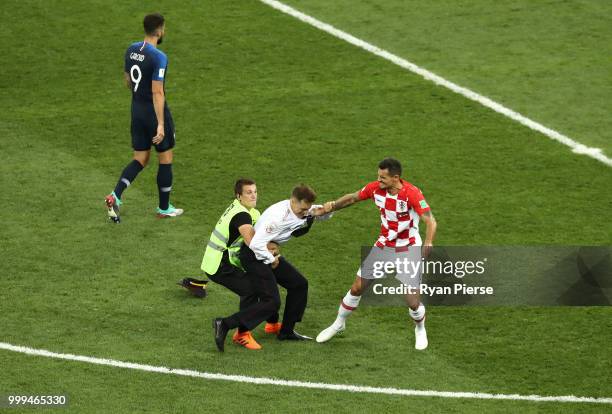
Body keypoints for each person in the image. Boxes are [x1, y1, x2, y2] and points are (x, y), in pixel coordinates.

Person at [316, 158, 437, 350]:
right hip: (383, 247)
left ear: (395, 178)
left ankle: (420, 328)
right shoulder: (375, 189)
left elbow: (430, 221)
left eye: (383, 178)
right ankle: (339, 323)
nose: (378, 180)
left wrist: (429, 241)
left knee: (412, 301)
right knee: (357, 288)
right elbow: (353, 198)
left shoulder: (412, 194)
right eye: (378, 176)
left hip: (409, 248)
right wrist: (331, 206)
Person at [213, 184, 333, 351]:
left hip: (267, 254)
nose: (304, 213)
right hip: (254, 256)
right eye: (302, 210)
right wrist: (271, 259)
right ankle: (225, 324)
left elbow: (315, 214)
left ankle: (287, 331)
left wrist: (328, 211)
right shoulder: (276, 218)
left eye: (307, 209)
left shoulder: (301, 207)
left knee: (299, 284)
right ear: (292, 201)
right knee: (272, 302)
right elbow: (255, 244)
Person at [105, 13, 182, 223]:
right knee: (165, 157)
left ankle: (116, 195)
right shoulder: (159, 57)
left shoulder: (131, 49)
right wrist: (160, 124)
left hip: (136, 110)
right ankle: (164, 208)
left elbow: (128, 80)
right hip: (153, 112)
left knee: (140, 158)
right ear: (159, 30)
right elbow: (158, 92)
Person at [200, 178, 281, 350]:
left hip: (225, 260)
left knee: (258, 286)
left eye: (255, 191)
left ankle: (269, 323)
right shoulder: (242, 215)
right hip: (219, 265)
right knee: (251, 290)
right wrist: (270, 257)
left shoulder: (250, 211)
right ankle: (242, 333)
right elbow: (252, 241)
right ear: (239, 196)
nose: (253, 195)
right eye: (248, 192)